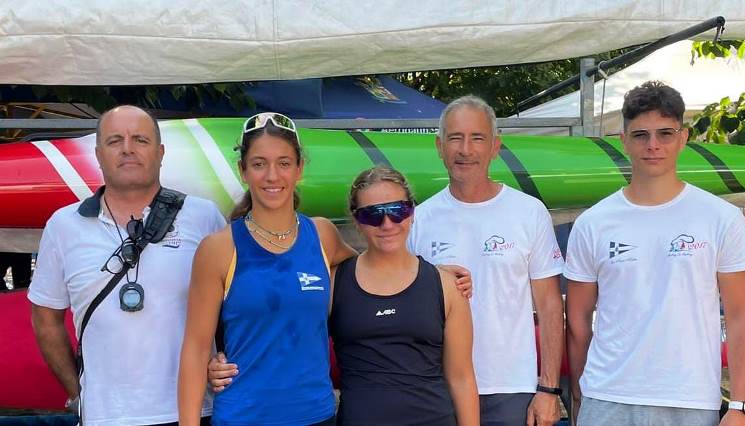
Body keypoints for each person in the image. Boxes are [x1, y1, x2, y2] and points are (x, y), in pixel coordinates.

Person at [565, 81, 745, 426]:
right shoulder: (592, 223)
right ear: (623, 141)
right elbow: (577, 321)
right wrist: (580, 395)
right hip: (608, 397)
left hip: (689, 399)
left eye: (665, 134)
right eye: (640, 135)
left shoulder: (721, 218)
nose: (653, 145)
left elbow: (742, 316)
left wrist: (741, 406)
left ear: (683, 138)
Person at [29, 105, 226, 425]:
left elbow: (237, 306)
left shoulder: (203, 217)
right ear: (97, 153)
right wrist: (78, 393)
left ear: (161, 152)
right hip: (104, 416)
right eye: (115, 140)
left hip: (191, 412)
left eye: (140, 140)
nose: (128, 149)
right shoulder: (63, 225)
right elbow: (45, 319)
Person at [178, 112, 356, 425]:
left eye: (284, 163)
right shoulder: (219, 249)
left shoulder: (323, 235)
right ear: (243, 170)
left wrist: (436, 275)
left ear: (299, 169)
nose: (272, 176)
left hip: (317, 415)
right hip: (244, 416)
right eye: (259, 164)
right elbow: (195, 349)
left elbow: (376, 267)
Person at [407, 95, 565, 425]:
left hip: (512, 389)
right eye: (455, 138)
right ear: (439, 146)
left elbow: (550, 306)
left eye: (477, 138)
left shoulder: (528, 212)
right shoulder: (419, 219)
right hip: (439, 387)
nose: (466, 149)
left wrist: (549, 388)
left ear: (495, 146)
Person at [329, 166, 479, 425]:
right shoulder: (334, 283)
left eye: (397, 211)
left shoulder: (446, 286)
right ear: (356, 220)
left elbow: (462, 378)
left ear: (411, 212)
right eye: (373, 215)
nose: (387, 224)